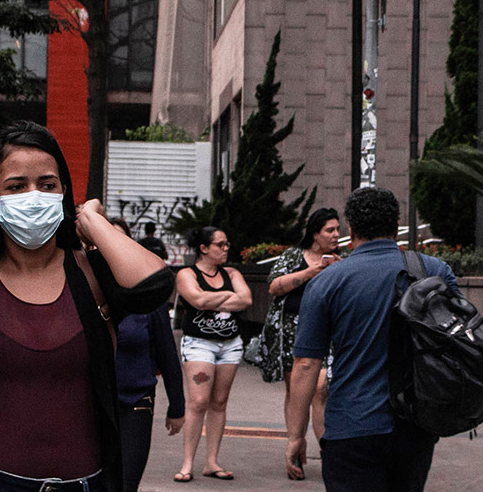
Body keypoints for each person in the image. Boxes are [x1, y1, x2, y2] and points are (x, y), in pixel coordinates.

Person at [0, 121, 174, 492]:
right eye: (17, 186)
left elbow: (155, 285)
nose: (34, 196)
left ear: (63, 191)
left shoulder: (88, 270)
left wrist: (91, 220)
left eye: (47, 184)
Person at [286, 187, 459, 491]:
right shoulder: (434, 271)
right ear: (396, 226)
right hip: (415, 425)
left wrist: (296, 435)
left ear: (350, 228)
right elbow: (458, 337)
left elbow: (305, 364)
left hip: (352, 425)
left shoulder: (328, 281)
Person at [259, 208, 342, 460]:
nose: (336, 235)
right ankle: (296, 441)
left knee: (319, 389)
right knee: (295, 391)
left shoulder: (341, 259)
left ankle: (327, 452)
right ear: (316, 234)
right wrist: (311, 272)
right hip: (291, 332)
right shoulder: (294, 256)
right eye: (330, 230)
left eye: (338, 229)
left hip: (327, 332)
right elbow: (274, 286)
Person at [109, 218, 185, 492]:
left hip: (136, 403)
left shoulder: (147, 297)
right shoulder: (84, 288)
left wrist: (177, 406)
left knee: (126, 484)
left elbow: (167, 353)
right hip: (91, 407)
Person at [173, 226, 252, 483]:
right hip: (199, 343)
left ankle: (211, 462)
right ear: (204, 248)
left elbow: (246, 300)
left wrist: (213, 298)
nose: (226, 248)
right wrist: (229, 296)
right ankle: (187, 464)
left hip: (230, 344)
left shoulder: (232, 273)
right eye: (220, 244)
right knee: (198, 402)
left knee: (219, 403)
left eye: (227, 244)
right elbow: (196, 300)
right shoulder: (187, 273)